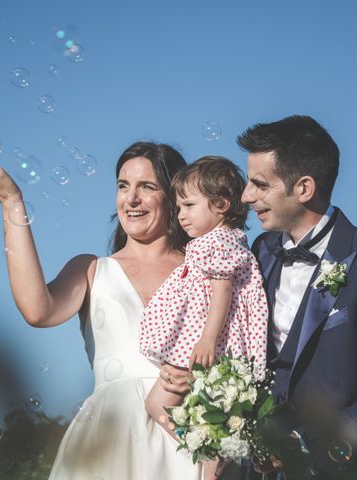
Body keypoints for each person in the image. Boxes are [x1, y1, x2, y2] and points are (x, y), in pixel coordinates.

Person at [0, 137, 203, 479]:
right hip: (111, 435)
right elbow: (37, 310)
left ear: (174, 197)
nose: (131, 199)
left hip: (190, 431)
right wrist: (11, 201)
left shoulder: (205, 269)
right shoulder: (91, 269)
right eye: (123, 186)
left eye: (147, 186)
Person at [237, 115, 357, 479]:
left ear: (304, 188)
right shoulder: (259, 252)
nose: (246, 195)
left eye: (259, 184)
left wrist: (311, 444)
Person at [139, 156, 268, 479]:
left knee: (157, 403)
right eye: (179, 207)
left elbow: (222, 292)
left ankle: (211, 453)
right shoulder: (224, 240)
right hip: (205, 340)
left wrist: (207, 339)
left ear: (221, 204)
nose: (180, 215)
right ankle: (209, 450)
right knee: (169, 405)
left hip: (206, 341)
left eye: (188, 205)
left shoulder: (217, 242)